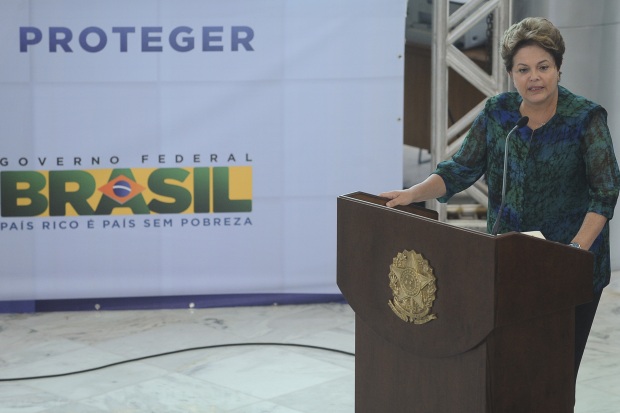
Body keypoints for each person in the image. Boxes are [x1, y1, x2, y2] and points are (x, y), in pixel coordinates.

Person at [380, 17, 620, 381]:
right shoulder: (499, 113)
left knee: (552, 375)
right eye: (523, 69)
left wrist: (573, 252)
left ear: (558, 69)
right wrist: (413, 194)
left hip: (567, 268)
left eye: (543, 67)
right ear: (511, 73)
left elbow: (605, 194)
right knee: (506, 371)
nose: (534, 78)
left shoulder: (586, 119)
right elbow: (459, 168)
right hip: (508, 263)